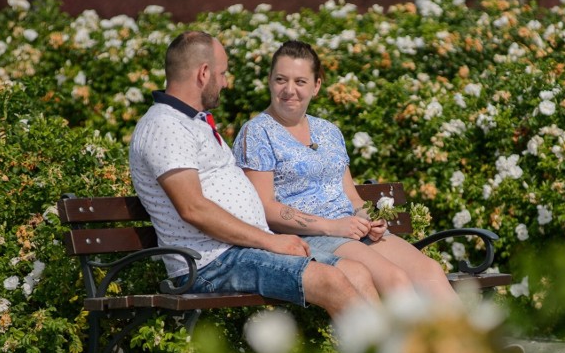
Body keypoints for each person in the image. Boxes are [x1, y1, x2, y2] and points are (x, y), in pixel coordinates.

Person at [129, 31, 379, 318]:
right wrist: (271, 240)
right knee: (331, 281)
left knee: (356, 273)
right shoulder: (165, 125)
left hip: (242, 250)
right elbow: (193, 208)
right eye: (222, 73)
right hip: (211, 262)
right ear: (203, 73)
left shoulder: (193, 122)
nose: (225, 82)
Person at [233, 40, 459, 303]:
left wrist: (370, 219)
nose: (289, 90)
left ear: (316, 86)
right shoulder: (258, 132)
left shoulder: (329, 131)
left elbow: (351, 198)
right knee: (394, 279)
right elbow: (265, 208)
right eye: (281, 79)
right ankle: (420, 346)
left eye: (300, 81)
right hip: (310, 238)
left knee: (429, 271)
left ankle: (471, 345)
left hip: (351, 231)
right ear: (270, 81)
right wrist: (333, 226)